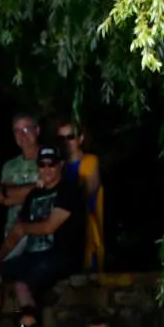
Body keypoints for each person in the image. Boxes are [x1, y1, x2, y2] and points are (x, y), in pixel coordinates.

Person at [0, 144, 83, 327]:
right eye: (42, 165)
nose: (46, 169)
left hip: (61, 255)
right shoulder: (34, 195)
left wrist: (23, 228)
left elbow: (48, 227)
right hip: (33, 255)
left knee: (22, 285)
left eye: (51, 164)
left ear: (60, 165)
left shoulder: (69, 191)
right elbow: (16, 233)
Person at [57, 117, 106, 272]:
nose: (66, 142)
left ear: (80, 138)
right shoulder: (57, 165)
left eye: (70, 137)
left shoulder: (90, 160)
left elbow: (89, 189)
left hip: (86, 226)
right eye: (61, 138)